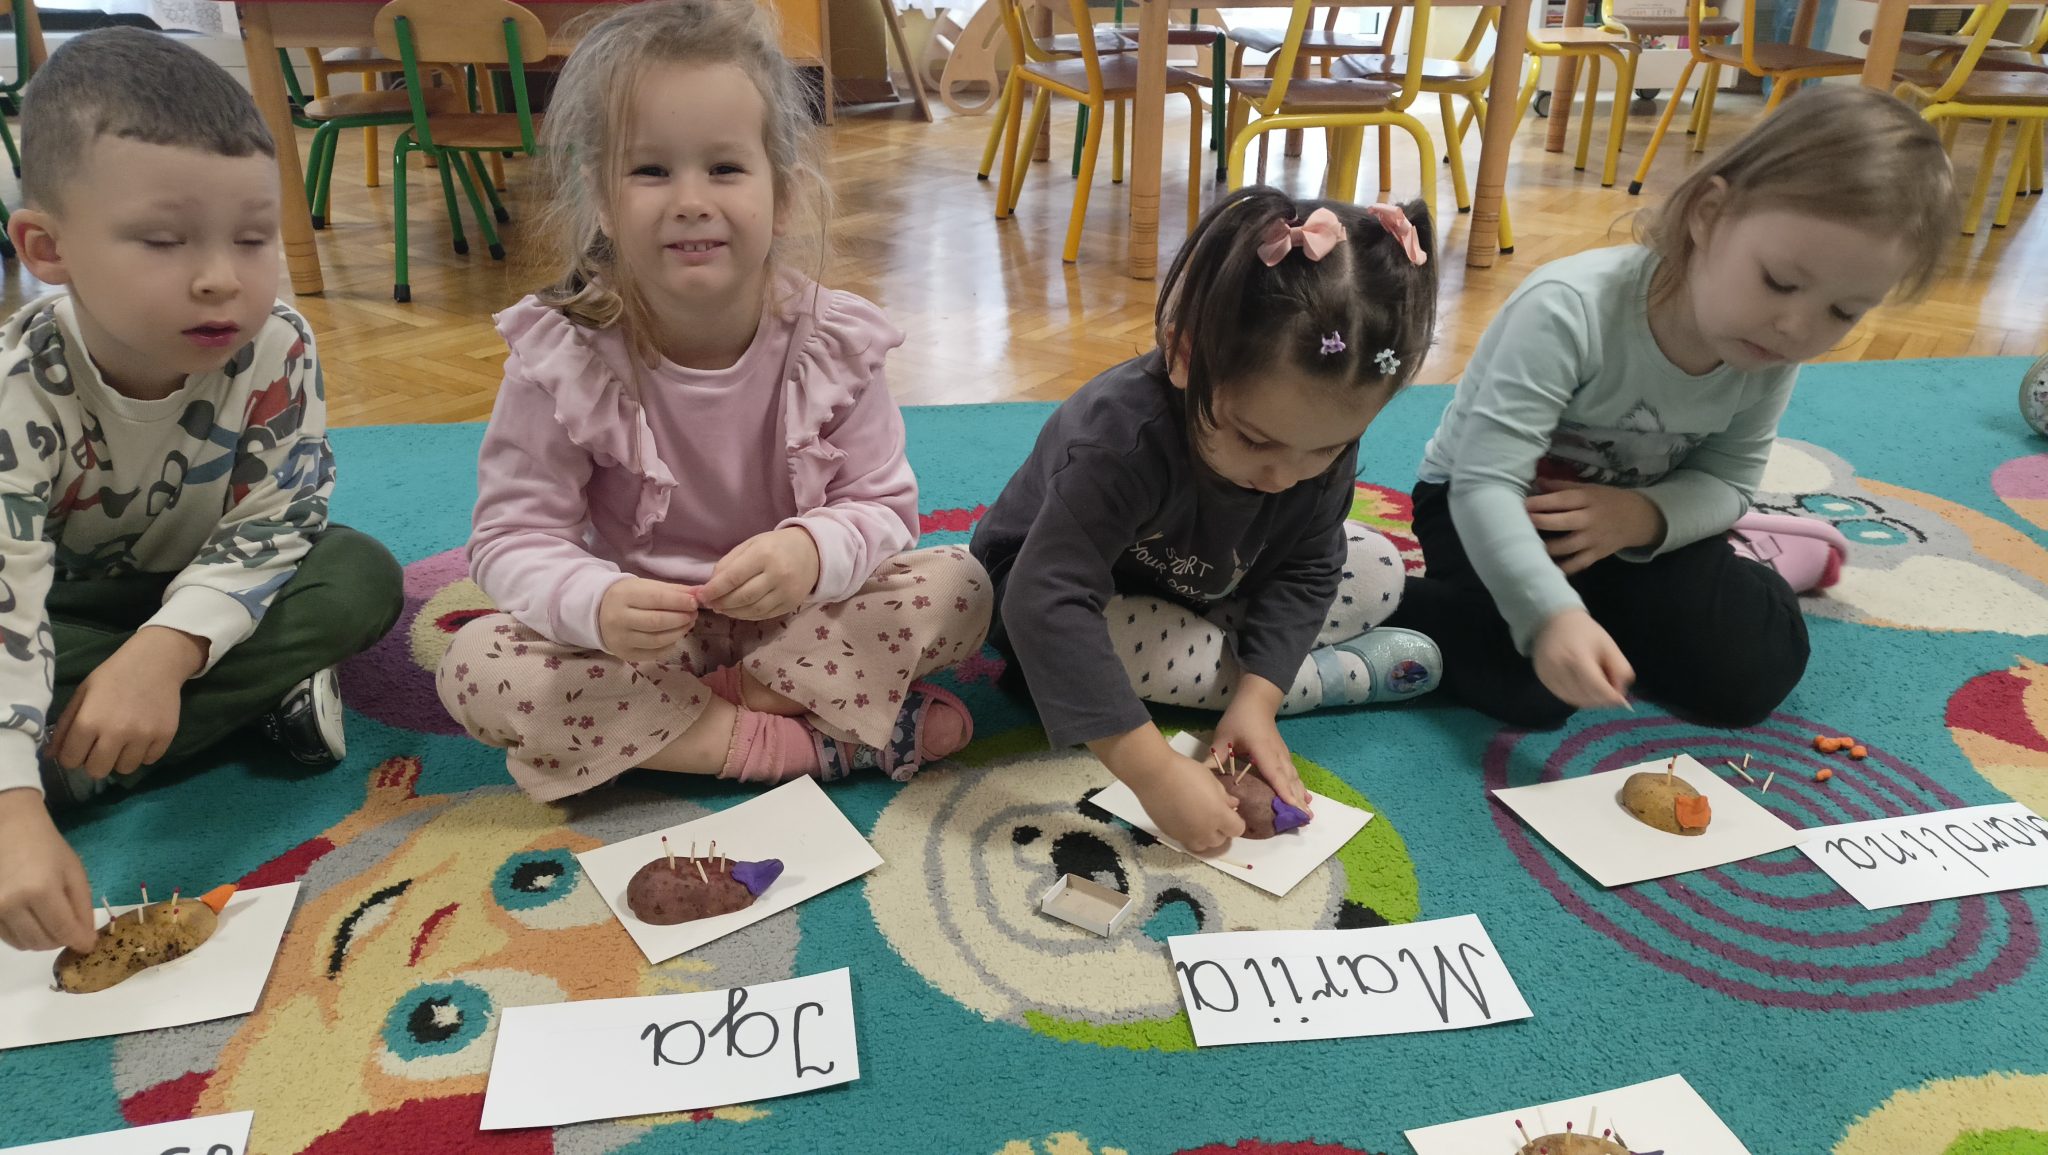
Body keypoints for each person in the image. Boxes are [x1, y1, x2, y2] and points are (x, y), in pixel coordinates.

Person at [438, 0, 991, 800]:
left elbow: (883, 508)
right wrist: (598, 602)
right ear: (601, 199)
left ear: (784, 196)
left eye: (725, 169)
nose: (691, 199)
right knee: (476, 667)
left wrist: (810, 551)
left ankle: (693, 723)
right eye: (651, 171)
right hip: (647, 645)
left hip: (806, 621)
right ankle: (805, 741)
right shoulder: (564, 354)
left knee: (962, 584)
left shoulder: (834, 341)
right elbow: (511, 537)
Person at [0, 29, 403, 954]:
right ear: (47, 247)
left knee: (359, 575)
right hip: (59, 615)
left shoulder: (277, 345)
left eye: (253, 238)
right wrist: (14, 808)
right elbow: (9, 606)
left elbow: (280, 520)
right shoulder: (18, 391)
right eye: (163, 240)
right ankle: (156, 733)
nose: (222, 277)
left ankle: (80, 756)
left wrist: (165, 654)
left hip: (209, 595)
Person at [1386, 86, 1960, 729]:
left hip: (1636, 522)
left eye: (1843, 312)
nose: (1797, 327)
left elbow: (1729, 482)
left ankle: (1756, 567)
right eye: (1779, 282)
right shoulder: (1569, 309)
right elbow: (1484, 483)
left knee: (1750, 674)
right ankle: (1369, 593)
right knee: (1529, 687)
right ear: (1708, 215)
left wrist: (1645, 517)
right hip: (1489, 503)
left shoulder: (1769, 347)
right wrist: (1550, 615)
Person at [972, 186, 1443, 853]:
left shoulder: (1309, 438)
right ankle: (1331, 678)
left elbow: (1311, 567)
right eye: (1255, 440)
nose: (1284, 476)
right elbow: (1044, 599)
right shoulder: (1120, 440)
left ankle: (1259, 677)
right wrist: (1154, 771)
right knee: (1099, 643)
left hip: (1210, 582)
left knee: (1380, 565)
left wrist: (1258, 701)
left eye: (1327, 450)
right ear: (1184, 355)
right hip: (1054, 596)